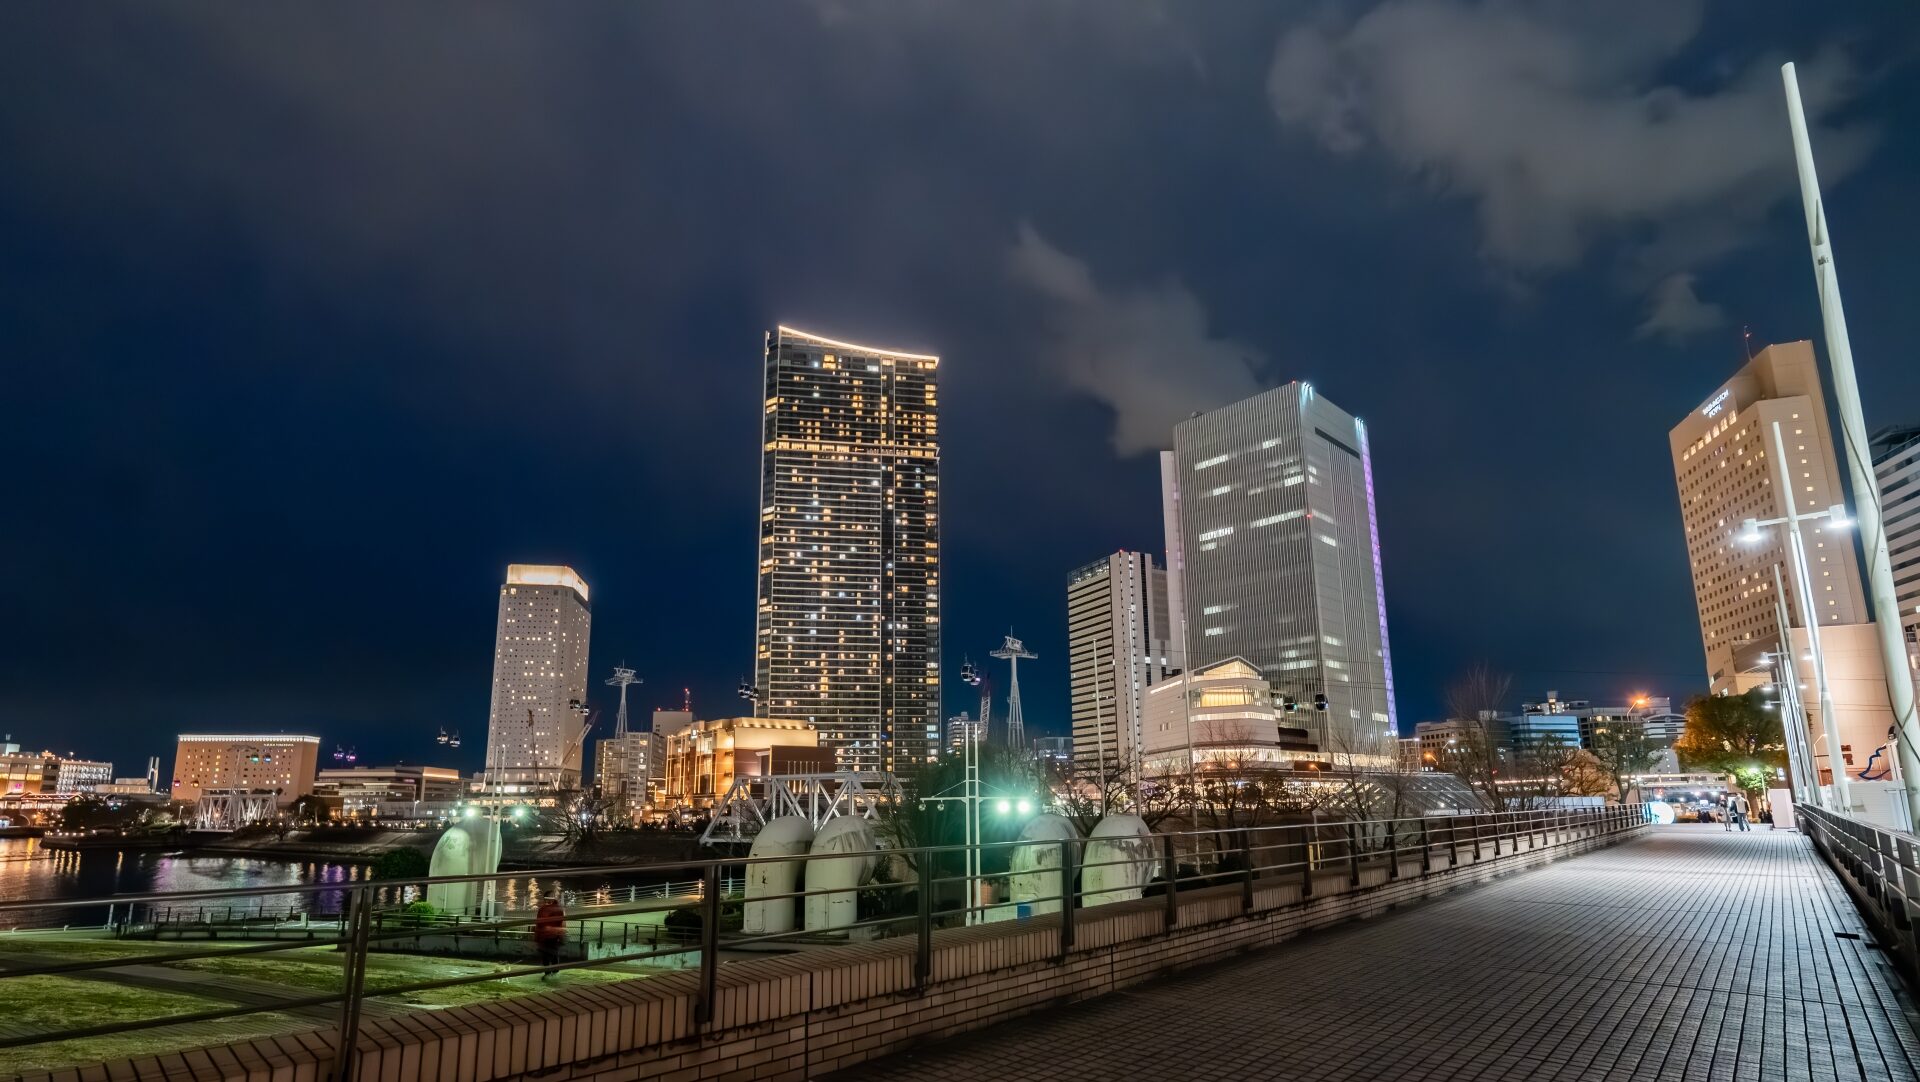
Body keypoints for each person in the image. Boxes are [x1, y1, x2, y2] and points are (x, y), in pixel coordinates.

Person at [534, 894, 566, 978]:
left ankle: (548, 973)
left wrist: (537, 936)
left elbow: (539, 923)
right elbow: (562, 923)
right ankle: (554, 972)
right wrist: (561, 935)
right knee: (553, 954)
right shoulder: (559, 909)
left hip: (545, 936)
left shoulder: (543, 909)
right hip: (555, 936)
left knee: (546, 955)